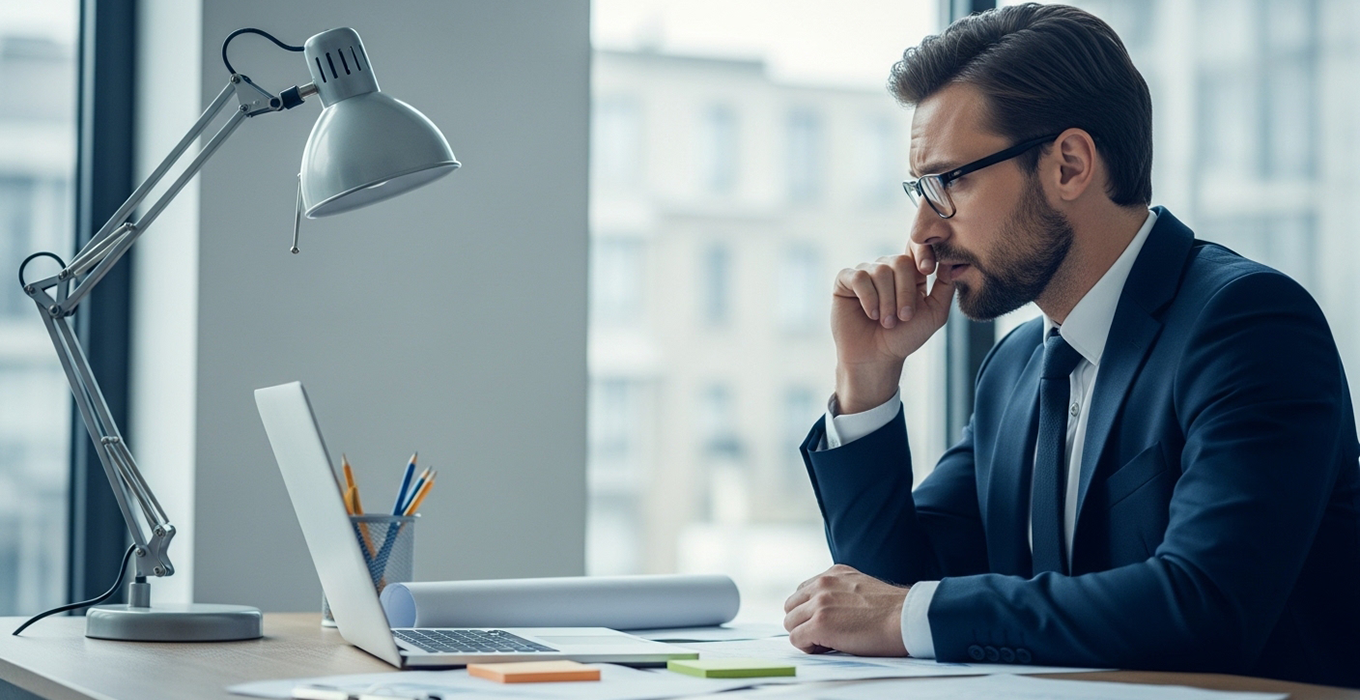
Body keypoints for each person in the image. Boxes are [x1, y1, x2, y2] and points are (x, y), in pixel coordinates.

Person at [782, 3, 1360, 688]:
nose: (922, 231)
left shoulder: (1247, 325)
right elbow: (885, 591)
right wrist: (868, 380)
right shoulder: (1017, 368)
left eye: (950, 183)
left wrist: (901, 615)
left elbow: (1205, 606)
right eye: (920, 189)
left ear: (1070, 164)